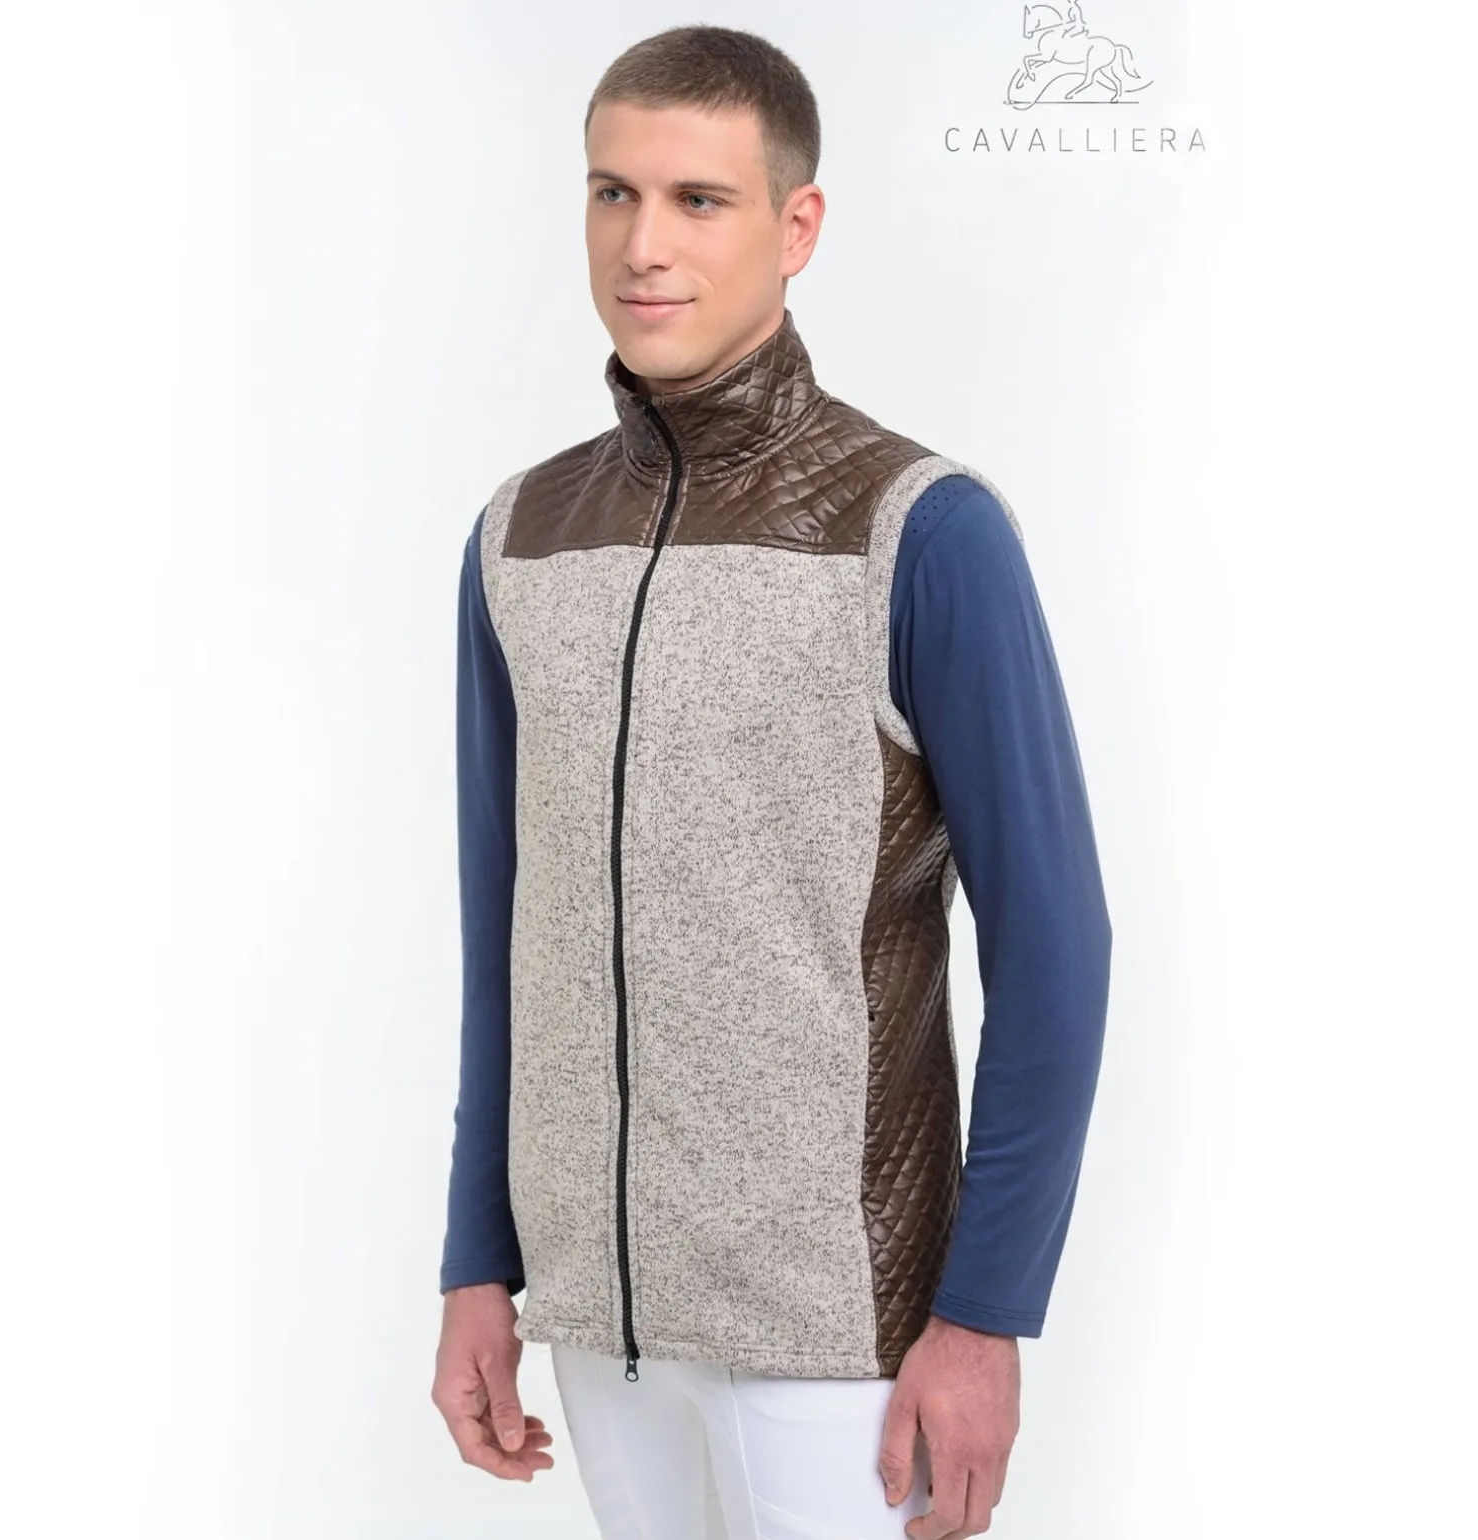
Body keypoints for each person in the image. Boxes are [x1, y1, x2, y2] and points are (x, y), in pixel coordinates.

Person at [429, 24, 1112, 1540]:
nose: (644, 245)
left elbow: (1058, 951)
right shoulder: (519, 539)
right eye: (613, 193)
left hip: (839, 1325)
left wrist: (987, 1314)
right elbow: (507, 938)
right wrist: (480, 1263)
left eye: (699, 200)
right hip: (596, 1317)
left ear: (797, 226)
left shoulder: (920, 531)